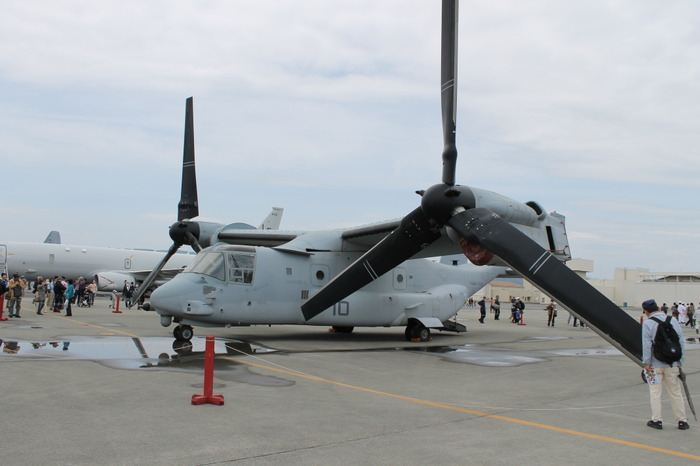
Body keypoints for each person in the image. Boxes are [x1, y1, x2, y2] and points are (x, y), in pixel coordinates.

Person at [641, 299, 689, 430]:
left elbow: (647, 345)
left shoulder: (648, 323)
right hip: (672, 363)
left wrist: (646, 363)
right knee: (675, 392)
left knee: (655, 392)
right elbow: (680, 342)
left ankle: (657, 420)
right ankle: (682, 421)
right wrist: (680, 361)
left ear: (646, 311)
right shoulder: (672, 320)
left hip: (655, 364)